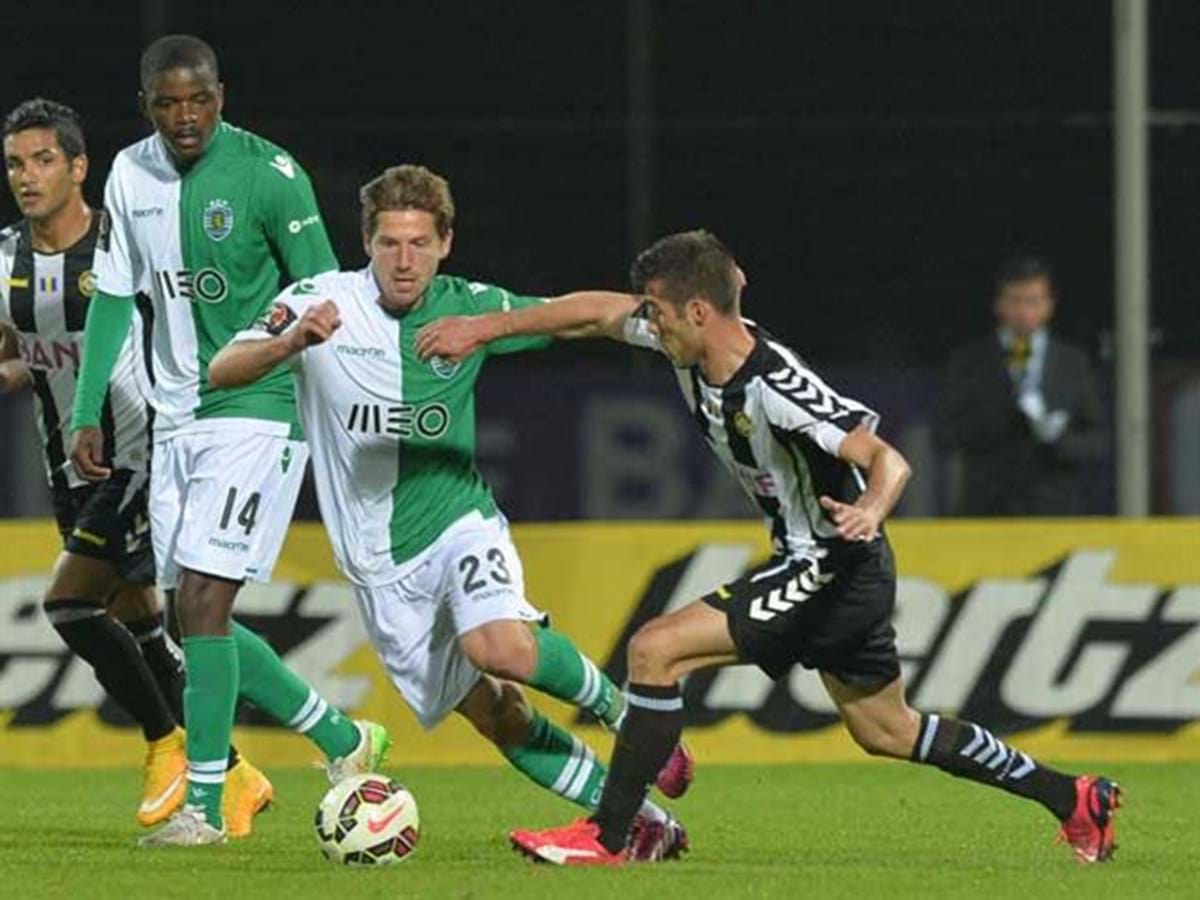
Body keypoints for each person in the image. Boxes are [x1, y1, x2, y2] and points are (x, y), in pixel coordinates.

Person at [415, 229, 1122, 866]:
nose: (648, 323)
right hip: (838, 569)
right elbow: (595, 312)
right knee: (888, 730)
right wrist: (488, 327)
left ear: (699, 312)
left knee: (655, 650)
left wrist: (871, 509)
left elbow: (888, 459)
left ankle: (612, 833)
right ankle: (1073, 797)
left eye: (658, 312)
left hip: (832, 566)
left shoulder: (776, 385)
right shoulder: (687, 339)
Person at [208, 164, 692, 861]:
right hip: (377, 569)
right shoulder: (318, 303)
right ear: (366, 243)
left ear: (446, 244)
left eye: (418, 244)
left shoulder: (469, 307)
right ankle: (643, 821)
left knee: (498, 645)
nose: (403, 261)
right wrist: (291, 344)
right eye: (389, 244)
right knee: (499, 714)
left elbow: (580, 315)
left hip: (457, 523)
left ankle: (632, 719)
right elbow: (225, 367)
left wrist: (666, 323)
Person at [68, 36, 387, 847]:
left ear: (222, 94)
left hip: (258, 408)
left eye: (200, 99)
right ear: (146, 104)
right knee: (189, 619)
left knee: (204, 603)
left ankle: (206, 809)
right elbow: (112, 296)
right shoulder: (129, 175)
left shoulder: (271, 177)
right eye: (169, 102)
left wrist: (345, 410)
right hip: (175, 422)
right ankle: (345, 741)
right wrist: (85, 407)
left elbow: (326, 295)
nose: (186, 117)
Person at [0, 97, 270, 835]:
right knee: (139, 617)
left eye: (44, 160)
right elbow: (15, 351)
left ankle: (166, 744)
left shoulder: (128, 249)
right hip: (67, 465)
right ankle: (235, 772)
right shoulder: (5, 260)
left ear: (78, 167)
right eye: (17, 162)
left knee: (69, 604)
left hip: (142, 454)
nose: (28, 176)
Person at [935, 256, 1106, 516]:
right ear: (999, 305)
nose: (1024, 311)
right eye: (1015, 301)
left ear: (1050, 305)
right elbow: (945, 433)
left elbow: (1097, 438)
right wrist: (1001, 418)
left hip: (1054, 510)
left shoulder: (1073, 362)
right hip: (985, 510)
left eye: (1033, 301)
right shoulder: (970, 361)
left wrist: (1056, 438)